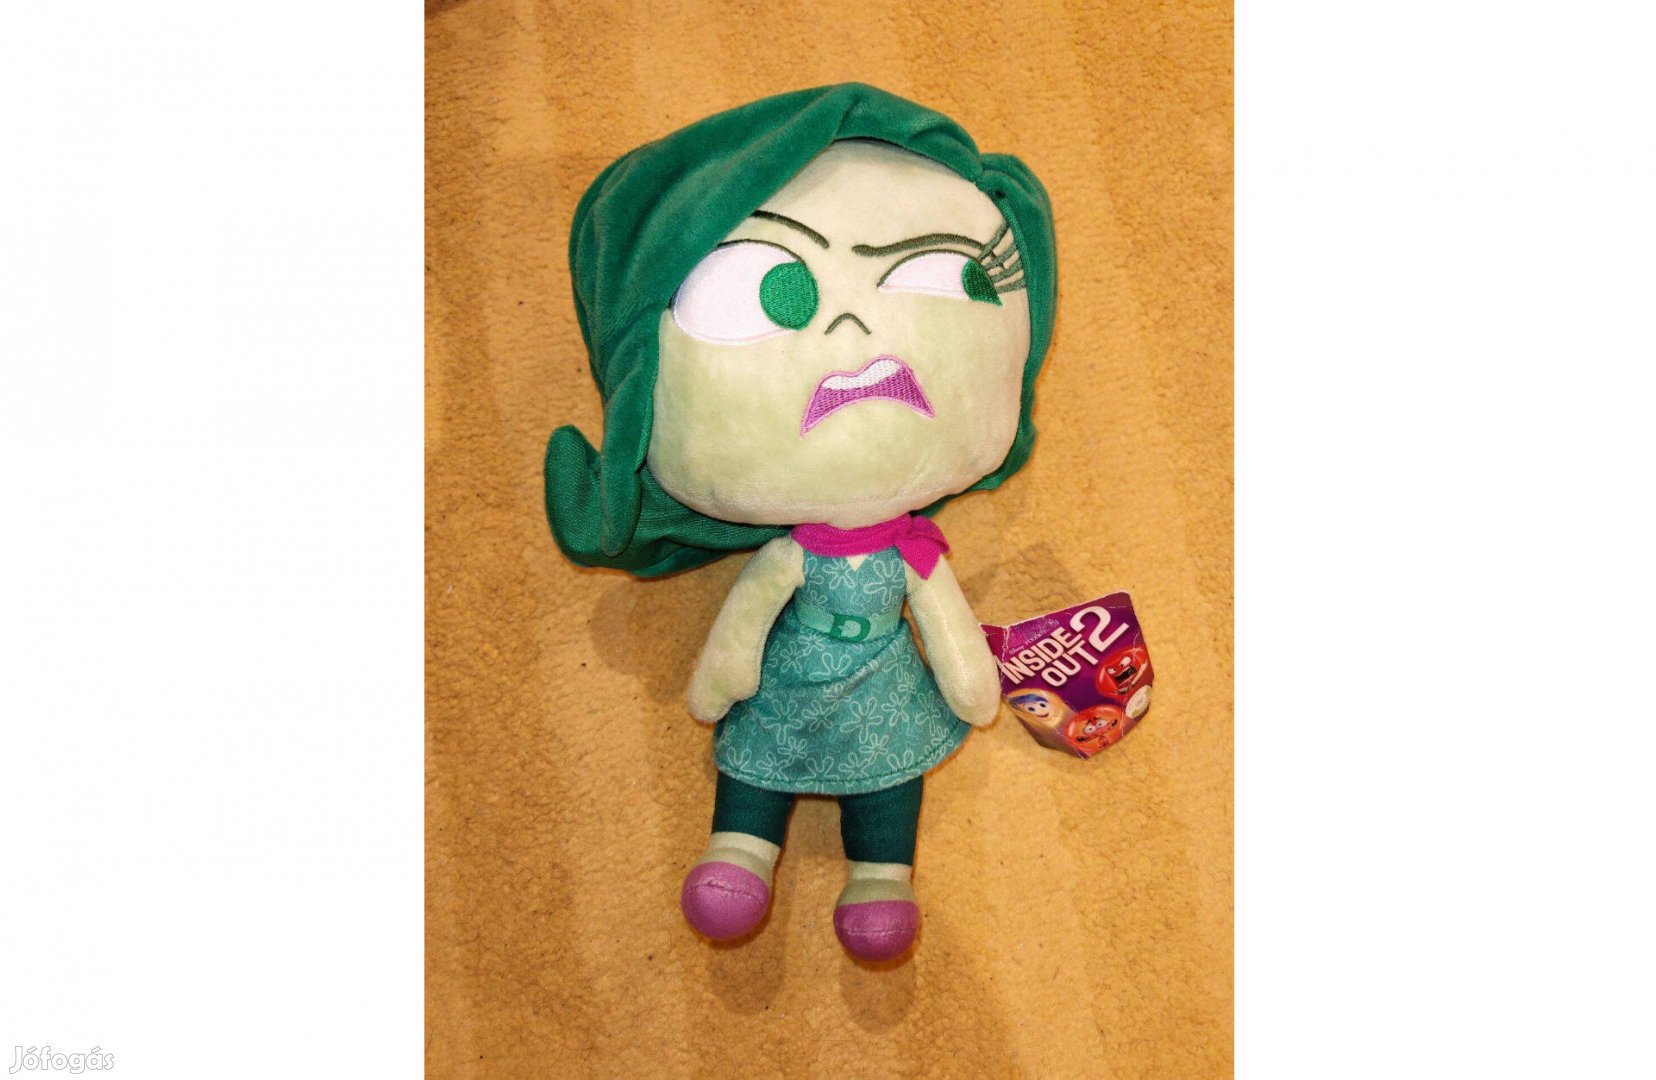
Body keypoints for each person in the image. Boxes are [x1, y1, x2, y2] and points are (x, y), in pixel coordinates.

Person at [546, 84, 1057, 962]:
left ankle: (882, 875)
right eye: (775, 291)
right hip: (789, 685)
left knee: (889, 779)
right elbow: (747, 621)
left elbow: (948, 630)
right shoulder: (795, 556)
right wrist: (722, 674)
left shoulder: (914, 555)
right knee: (757, 760)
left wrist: (974, 683)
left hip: (885, 694)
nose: (854, 326)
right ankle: (739, 852)